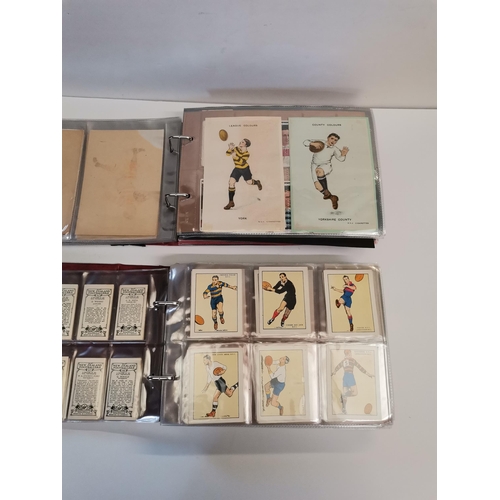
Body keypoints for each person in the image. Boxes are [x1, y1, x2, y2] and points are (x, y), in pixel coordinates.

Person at [303, 133, 349, 209]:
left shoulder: (334, 149)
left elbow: (341, 159)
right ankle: (332, 197)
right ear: (328, 138)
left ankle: (327, 192)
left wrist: (343, 154)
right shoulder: (320, 142)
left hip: (326, 165)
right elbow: (305, 142)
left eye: (335, 140)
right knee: (317, 186)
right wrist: (312, 143)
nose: (333, 141)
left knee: (319, 171)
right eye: (332, 138)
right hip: (314, 165)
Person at [224, 139, 263, 210]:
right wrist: (230, 149)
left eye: (242, 142)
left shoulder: (246, 153)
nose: (240, 142)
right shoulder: (236, 149)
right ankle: (231, 202)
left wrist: (235, 156)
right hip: (237, 169)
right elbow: (227, 154)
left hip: (245, 169)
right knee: (231, 182)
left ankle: (257, 182)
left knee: (249, 182)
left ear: (246, 145)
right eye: (241, 141)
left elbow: (241, 162)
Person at [332, 350, 374, 414]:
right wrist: (368, 374)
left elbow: (337, 367)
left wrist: (334, 372)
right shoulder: (352, 360)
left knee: (345, 395)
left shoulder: (343, 361)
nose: (351, 354)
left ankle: (344, 408)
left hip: (345, 377)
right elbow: (360, 367)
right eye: (350, 353)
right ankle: (346, 392)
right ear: (349, 353)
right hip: (350, 376)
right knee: (355, 393)